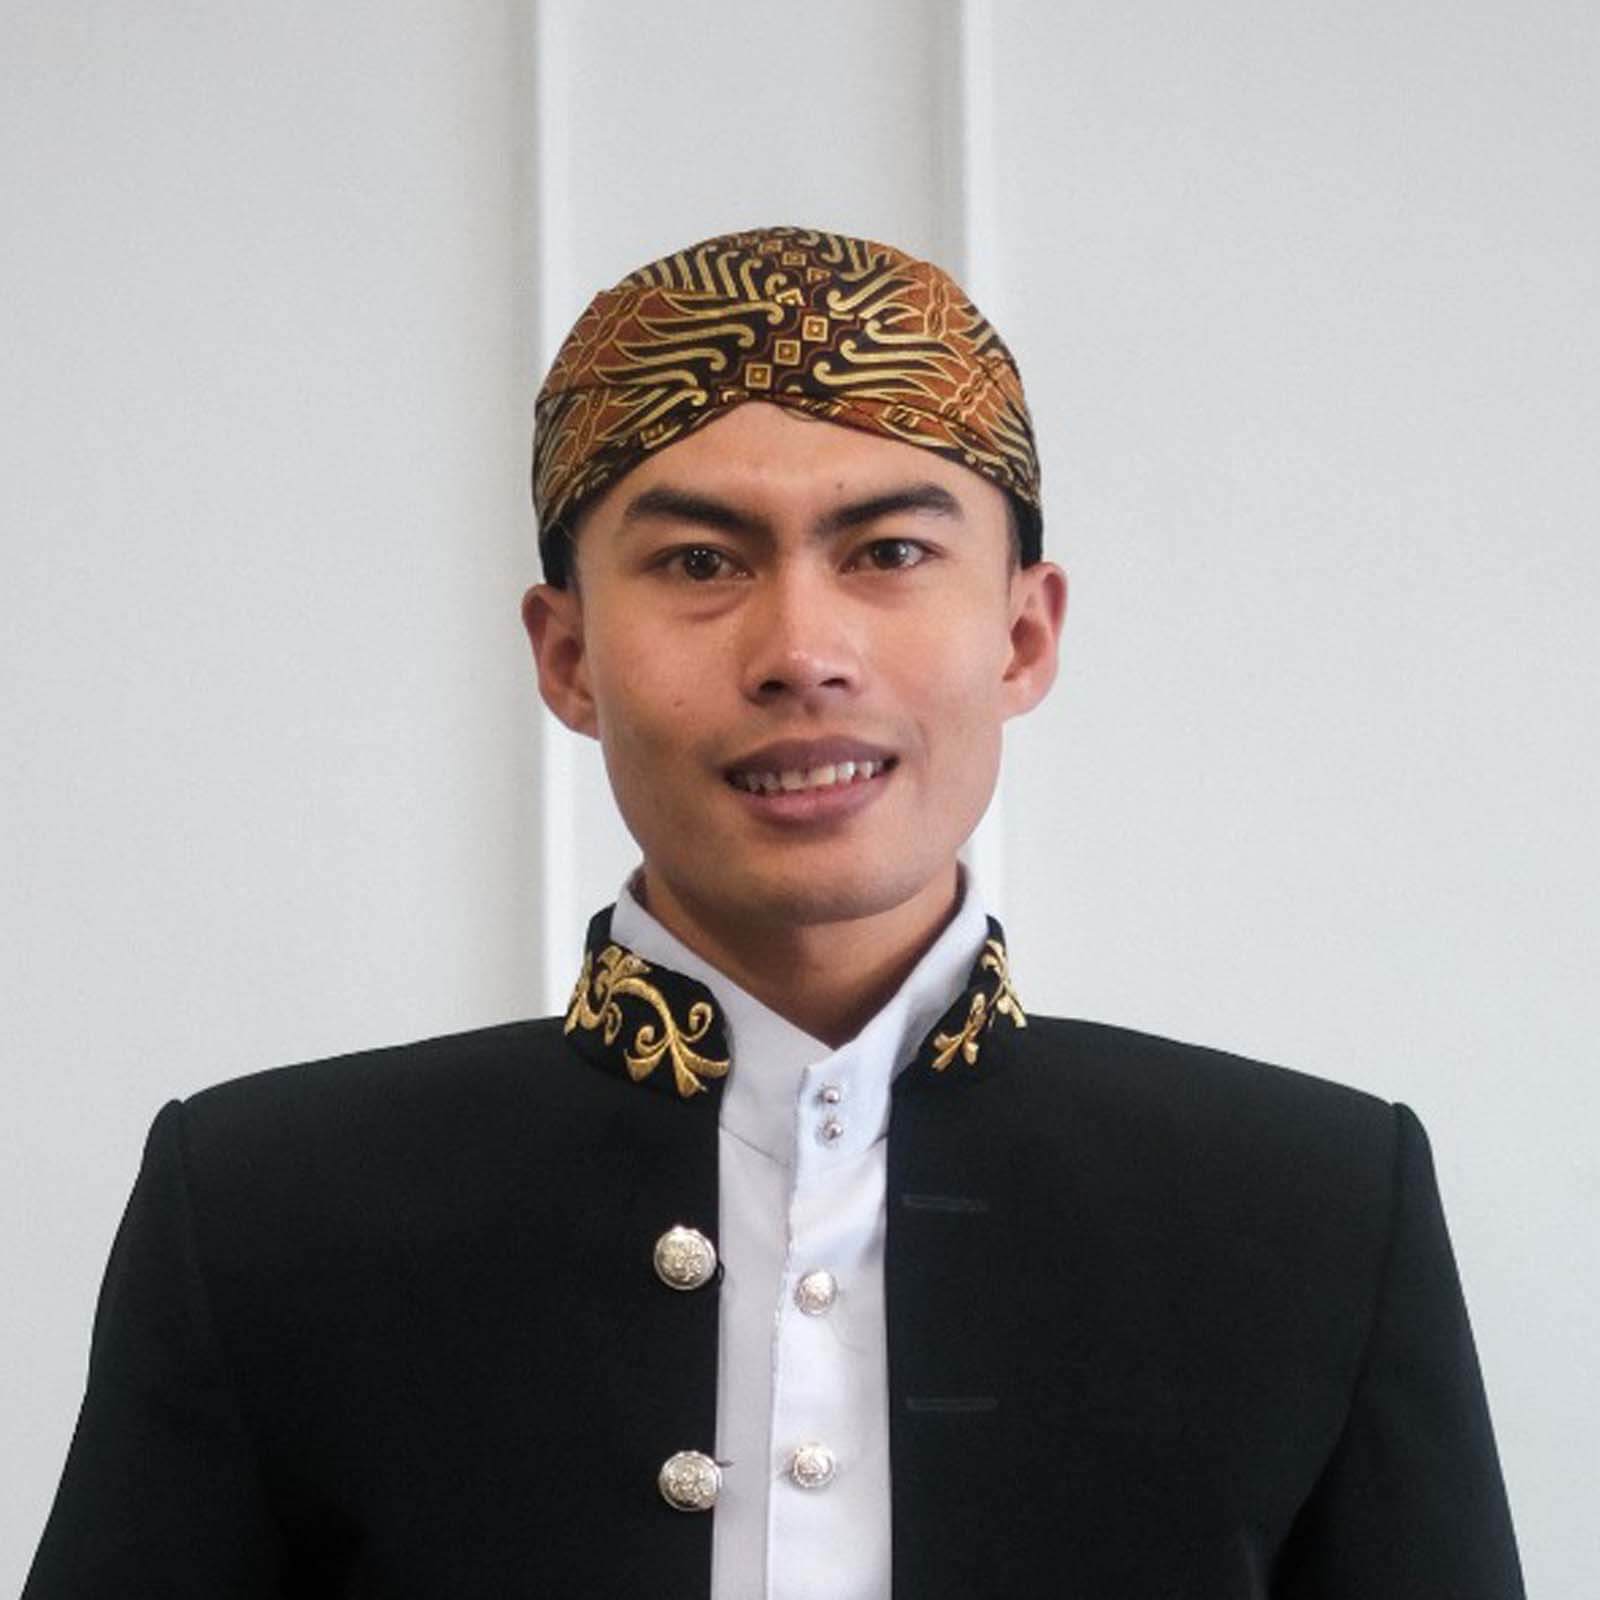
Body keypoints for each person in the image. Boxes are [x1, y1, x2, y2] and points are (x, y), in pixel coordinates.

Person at [25, 225, 1523, 1598]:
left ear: (1021, 633)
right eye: (699, 562)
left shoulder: (1318, 1212)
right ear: (566, 658)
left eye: (890, 554)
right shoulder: (267, 1209)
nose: (802, 650)